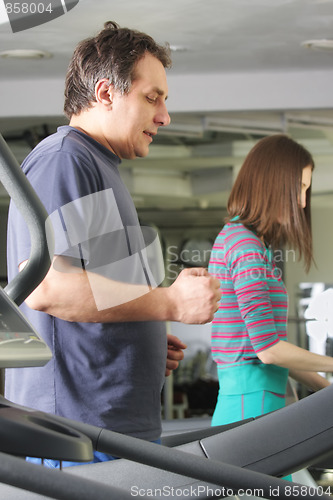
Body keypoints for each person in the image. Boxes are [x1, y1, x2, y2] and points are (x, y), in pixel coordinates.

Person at [5, 21, 221, 467]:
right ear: (105, 93)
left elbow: (92, 292)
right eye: (152, 98)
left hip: (110, 424)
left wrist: (137, 336)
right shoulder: (65, 160)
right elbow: (50, 288)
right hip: (76, 430)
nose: (164, 117)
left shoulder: (99, 165)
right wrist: (168, 303)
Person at [208, 134, 333, 429]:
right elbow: (269, 350)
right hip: (250, 404)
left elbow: (273, 351)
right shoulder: (244, 244)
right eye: (300, 188)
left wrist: (325, 387)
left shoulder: (251, 243)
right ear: (276, 182)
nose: (303, 201)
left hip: (259, 399)